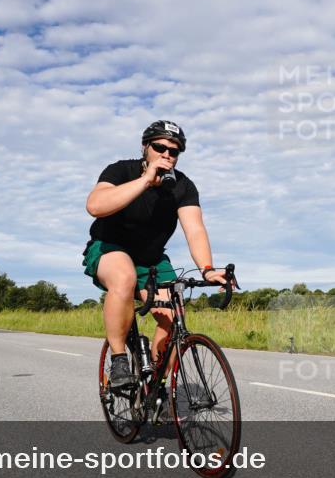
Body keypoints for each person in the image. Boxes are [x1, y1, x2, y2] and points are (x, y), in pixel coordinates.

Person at [83, 120, 233, 388]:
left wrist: (207, 269)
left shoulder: (183, 186)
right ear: (145, 147)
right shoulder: (121, 170)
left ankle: (156, 386)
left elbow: (195, 229)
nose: (166, 154)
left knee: (174, 317)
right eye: (159, 147)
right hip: (110, 247)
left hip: (151, 258)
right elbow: (95, 205)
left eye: (173, 151)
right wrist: (144, 181)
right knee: (124, 277)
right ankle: (119, 361)